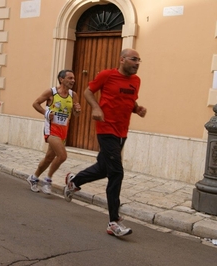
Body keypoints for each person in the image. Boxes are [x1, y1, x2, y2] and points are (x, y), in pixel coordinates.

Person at [63, 48, 147, 237]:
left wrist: (137, 109)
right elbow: (87, 92)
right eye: (134, 59)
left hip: (122, 131)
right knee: (116, 172)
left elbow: (130, 100)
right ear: (122, 59)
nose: (137, 63)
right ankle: (113, 221)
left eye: (139, 60)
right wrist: (96, 108)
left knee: (104, 168)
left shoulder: (136, 81)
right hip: (106, 128)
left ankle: (74, 181)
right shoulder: (107, 75)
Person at [27, 70, 81, 194]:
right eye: (70, 78)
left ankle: (33, 178)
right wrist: (46, 113)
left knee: (49, 158)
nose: (73, 80)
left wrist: (77, 110)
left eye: (73, 78)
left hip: (63, 130)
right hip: (51, 129)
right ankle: (48, 180)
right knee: (62, 156)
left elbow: (75, 115)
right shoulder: (51, 92)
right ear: (61, 79)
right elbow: (35, 103)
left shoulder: (73, 95)